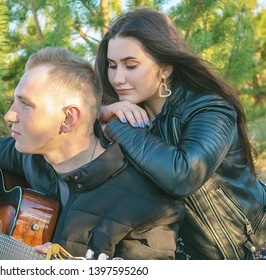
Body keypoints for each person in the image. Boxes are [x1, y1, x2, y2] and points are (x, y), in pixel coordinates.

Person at [0, 47, 185, 260]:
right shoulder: (32, 155)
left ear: (69, 118)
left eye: (25, 104)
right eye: (14, 101)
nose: (10, 115)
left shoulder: (148, 207)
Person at [95, 7, 266, 260]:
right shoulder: (126, 113)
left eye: (130, 65)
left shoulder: (210, 107)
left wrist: (114, 125)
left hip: (247, 252)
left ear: (165, 67)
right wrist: (99, 115)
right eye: (112, 66)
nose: (117, 78)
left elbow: (184, 174)